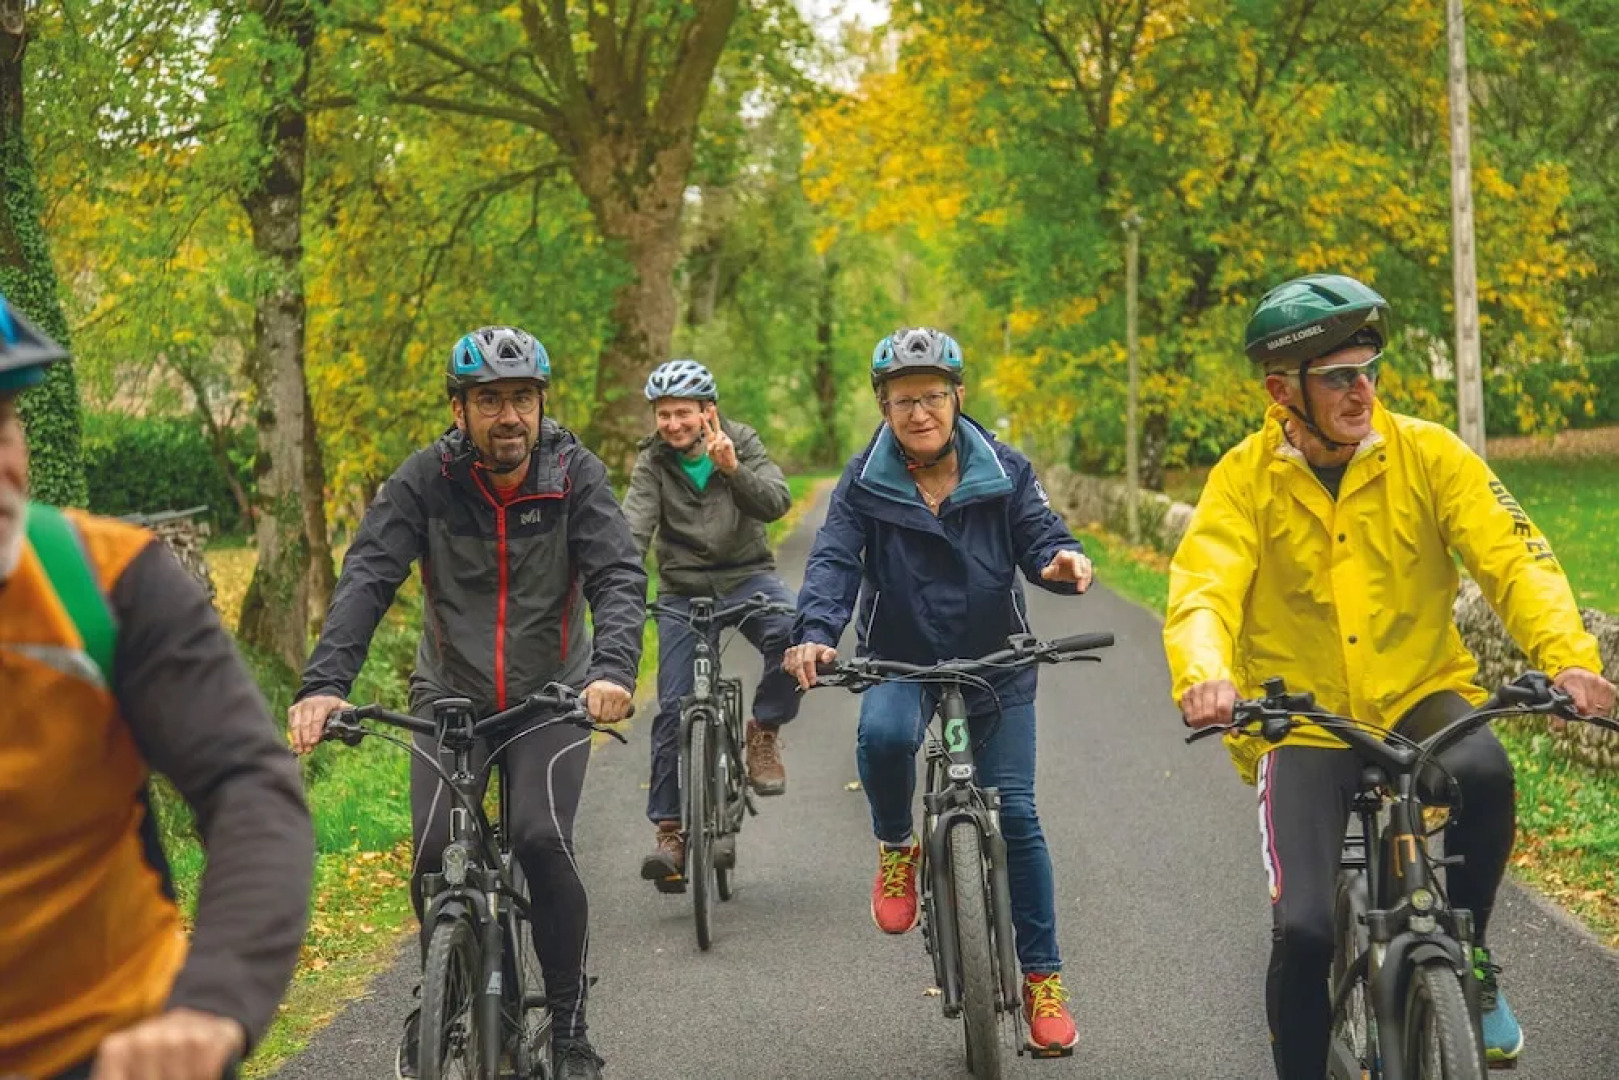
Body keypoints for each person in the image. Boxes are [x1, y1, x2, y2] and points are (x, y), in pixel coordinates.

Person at [1164, 273, 1617, 1078]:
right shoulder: (1242, 480)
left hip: (1416, 693)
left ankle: (1468, 958)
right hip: (1300, 718)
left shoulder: (1429, 454)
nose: (1361, 390)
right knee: (1302, 930)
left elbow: (1514, 558)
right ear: (1282, 389)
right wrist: (1206, 676)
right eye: (1338, 376)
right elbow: (1203, 588)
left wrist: (1569, 658)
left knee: (1485, 772)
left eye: (1368, 370)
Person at [284, 326, 646, 1080]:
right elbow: (367, 579)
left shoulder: (576, 475)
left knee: (539, 839)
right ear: (459, 411)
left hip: (553, 694)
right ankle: (465, 991)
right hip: (451, 695)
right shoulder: (425, 481)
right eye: (489, 401)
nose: (508, 415)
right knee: (429, 852)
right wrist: (325, 684)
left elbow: (617, 576)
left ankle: (571, 1024)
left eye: (521, 398)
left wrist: (610, 671)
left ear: (542, 404)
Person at [0, 296, 313, 1080]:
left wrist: (211, 1003)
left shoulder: (105, 582)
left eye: (3, 423)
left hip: (110, 1045)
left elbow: (247, 784)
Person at [783, 327, 1095, 1055]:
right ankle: (897, 845)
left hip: (995, 660)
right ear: (883, 408)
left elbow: (1040, 533)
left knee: (1015, 814)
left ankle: (1042, 980)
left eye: (930, 396)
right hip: (902, 656)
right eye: (901, 400)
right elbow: (832, 560)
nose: (918, 411)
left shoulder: (1003, 468)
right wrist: (816, 629)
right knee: (884, 736)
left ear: (956, 396)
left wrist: (1061, 561)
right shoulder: (864, 481)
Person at [621, 359, 799, 889]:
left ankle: (763, 730)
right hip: (684, 589)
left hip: (747, 578)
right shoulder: (652, 460)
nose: (672, 424)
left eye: (682, 413)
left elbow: (777, 502)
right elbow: (633, 528)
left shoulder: (741, 441)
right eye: (663, 414)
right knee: (673, 707)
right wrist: (619, 584)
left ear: (707, 412)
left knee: (793, 631)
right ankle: (671, 832)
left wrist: (732, 469)